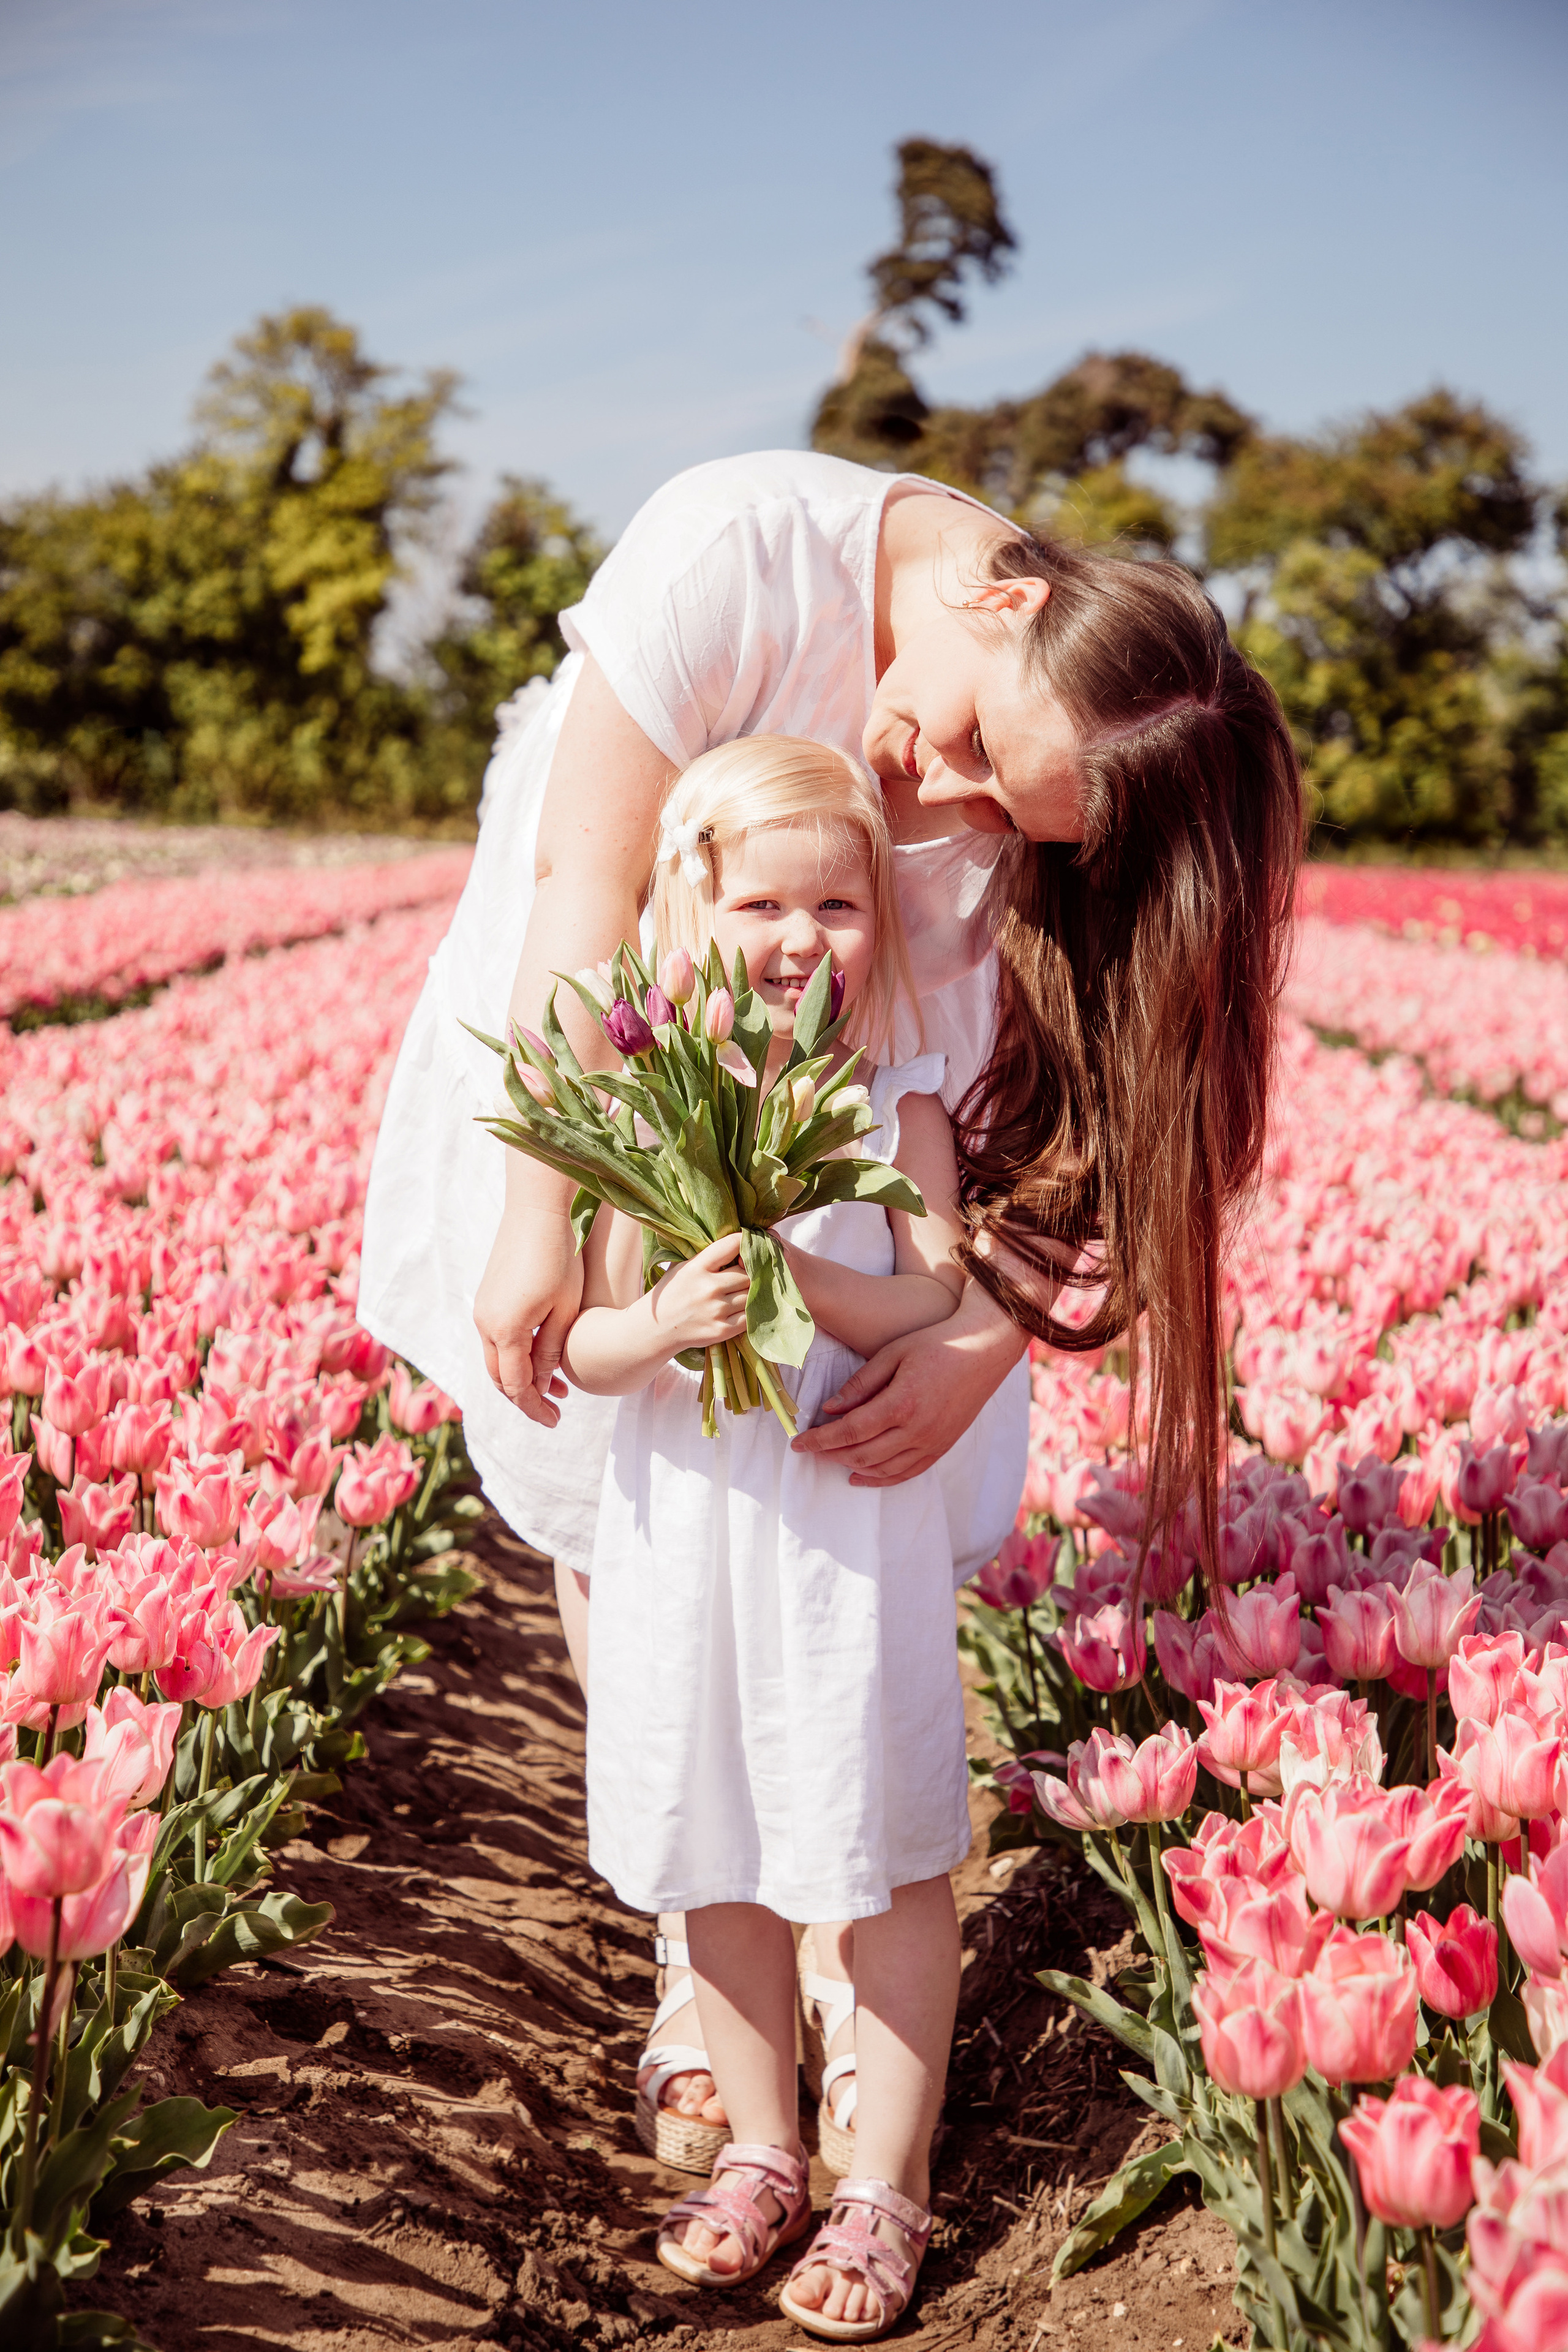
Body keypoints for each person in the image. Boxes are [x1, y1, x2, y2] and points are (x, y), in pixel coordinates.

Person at [358, 448, 1303, 2169]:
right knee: (627, 1514)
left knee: (858, 1516)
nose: (940, 788)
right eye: (967, 742)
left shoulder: (1077, 764)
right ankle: (698, 1962)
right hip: (623, 1038)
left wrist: (977, 1332)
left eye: (1012, 814)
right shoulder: (733, 552)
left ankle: (848, 1953)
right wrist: (542, 1206)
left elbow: (1114, 1083)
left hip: (900, 1117)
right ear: (1003, 593)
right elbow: (585, 901)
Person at [562, 735, 964, 2337]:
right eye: (763, 902)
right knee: (714, 1834)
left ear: (882, 918)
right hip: (690, 1534)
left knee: (882, 1842)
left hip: (839, 1531)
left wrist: (812, 1290)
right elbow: (588, 1341)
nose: (804, 937)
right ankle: (767, 2149)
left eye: (840, 904)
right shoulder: (645, 1105)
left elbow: (937, 1286)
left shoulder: (898, 1105)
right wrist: (667, 1308)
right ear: (690, 912)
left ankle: (891, 2181)